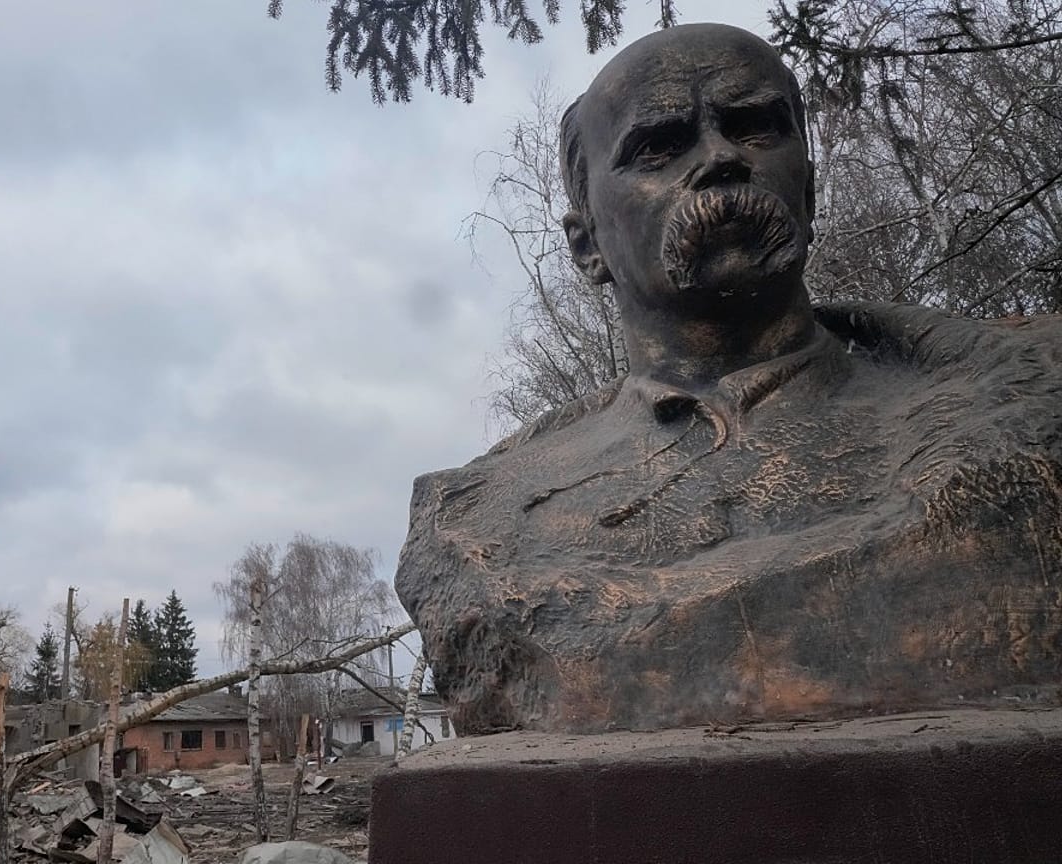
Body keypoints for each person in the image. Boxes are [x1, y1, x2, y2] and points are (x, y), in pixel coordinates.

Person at [397, 23, 1062, 735]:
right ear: (587, 244)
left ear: (808, 192)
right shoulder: (477, 518)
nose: (720, 158)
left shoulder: (1019, 414)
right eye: (658, 145)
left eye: (756, 129)